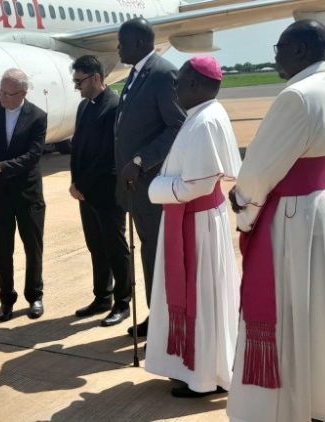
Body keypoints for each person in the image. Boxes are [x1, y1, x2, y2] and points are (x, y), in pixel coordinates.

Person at [226, 20, 325, 422]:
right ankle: (321, 402)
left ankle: (279, 408)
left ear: (299, 51)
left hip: (292, 216)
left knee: (288, 313)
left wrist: (243, 206)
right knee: (322, 313)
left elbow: (258, 171)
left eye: (280, 48)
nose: (275, 55)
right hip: (323, 207)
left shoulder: (295, 96)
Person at [145, 56, 242, 398]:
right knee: (205, 297)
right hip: (194, 220)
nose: (174, 87)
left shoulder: (203, 122)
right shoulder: (202, 115)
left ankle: (203, 376)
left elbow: (197, 185)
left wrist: (155, 188)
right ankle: (198, 368)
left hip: (196, 222)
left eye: (179, 80)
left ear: (197, 85)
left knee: (202, 297)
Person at [114, 18, 185, 337]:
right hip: (137, 187)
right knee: (148, 251)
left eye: (122, 42)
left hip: (152, 183)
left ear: (140, 43)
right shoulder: (137, 72)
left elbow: (177, 125)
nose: (118, 48)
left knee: (157, 252)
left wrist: (141, 160)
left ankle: (167, 320)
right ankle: (157, 315)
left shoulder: (161, 74)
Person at [0, 69, 47, 322]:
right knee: (2, 249)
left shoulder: (37, 116)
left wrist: (1, 166)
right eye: (0, 91)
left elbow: (33, 157)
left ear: (22, 93)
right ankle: (6, 298)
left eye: (8, 93)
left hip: (27, 194)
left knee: (32, 247)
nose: (2, 96)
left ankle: (34, 295)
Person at [69, 55, 132, 327]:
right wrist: (75, 182)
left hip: (107, 192)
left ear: (96, 77)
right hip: (85, 192)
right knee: (96, 246)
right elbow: (78, 149)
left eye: (79, 81)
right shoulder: (84, 107)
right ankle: (102, 297)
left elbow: (108, 155)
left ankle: (123, 302)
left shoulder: (114, 107)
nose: (76, 87)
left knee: (115, 247)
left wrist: (81, 183)